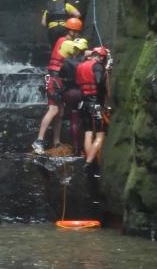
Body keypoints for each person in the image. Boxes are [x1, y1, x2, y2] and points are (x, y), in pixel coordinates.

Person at [32, 23, 85, 154]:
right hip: (53, 79)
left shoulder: (65, 42)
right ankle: (38, 141)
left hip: (59, 80)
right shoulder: (64, 41)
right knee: (53, 109)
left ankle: (56, 141)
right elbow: (79, 49)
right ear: (71, 31)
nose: (77, 34)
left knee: (60, 112)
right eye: (76, 32)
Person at [77, 46, 110, 174]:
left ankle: (89, 160)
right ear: (101, 57)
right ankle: (89, 163)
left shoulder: (81, 65)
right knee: (100, 135)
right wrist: (105, 71)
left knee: (88, 133)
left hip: (83, 103)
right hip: (94, 104)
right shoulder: (98, 66)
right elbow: (98, 81)